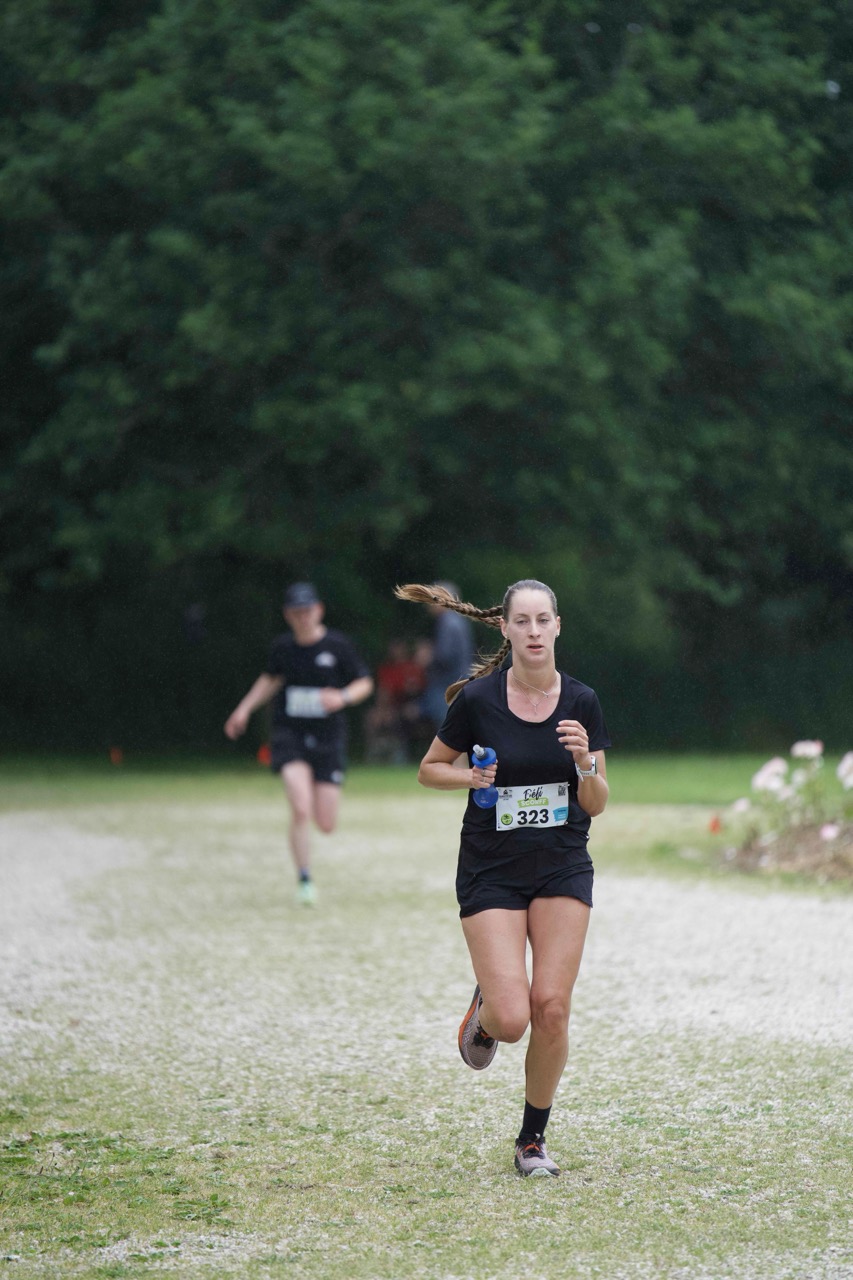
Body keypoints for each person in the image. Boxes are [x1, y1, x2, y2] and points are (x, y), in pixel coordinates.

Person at [395, 579, 611, 1178]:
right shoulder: (478, 701)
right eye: (523, 621)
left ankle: (531, 1140)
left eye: (544, 620)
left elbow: (596, 802)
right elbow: (429, 769)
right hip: (491, 868)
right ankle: (487, 1006)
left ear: (558, 626)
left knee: (552, 1009)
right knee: (513, 1019)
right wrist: (469, 778)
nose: (534, 631)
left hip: (562, 864)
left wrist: (584, 762)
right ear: (506, 628)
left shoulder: (583, 702)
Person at [224, 582, 374, 905]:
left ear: (318, 610)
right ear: (287, 615)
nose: (302, 617)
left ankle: (308, 860)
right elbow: (270, 679)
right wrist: (244, 709)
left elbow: (364, 682)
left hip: (328, 738)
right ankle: (305, 879)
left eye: (307, 611)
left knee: (326, 823)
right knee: (301, 807)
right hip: (289, 735)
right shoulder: (282, 648)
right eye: (296, 612)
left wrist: (342, 697)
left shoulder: (338, 646)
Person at [419, 581, 475, 731]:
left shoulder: (447, 623)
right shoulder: (459, 620)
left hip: (447, 683)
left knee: (448, 730)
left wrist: (428, 656)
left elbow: (445, 657)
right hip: (460, 680)